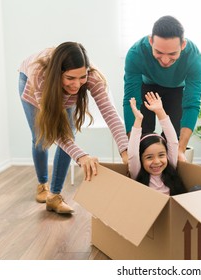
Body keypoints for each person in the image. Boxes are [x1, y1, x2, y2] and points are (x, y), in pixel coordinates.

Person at [19, 42, 129, 214]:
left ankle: (54, 196)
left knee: (69, 135)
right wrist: (82, 156)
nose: (77, 85)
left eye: (82, 77)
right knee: (41, 137)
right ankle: (42, 184)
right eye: (70, 78)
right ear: (58, 74)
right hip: (32, 81)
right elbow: (53, 130)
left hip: (58, 87)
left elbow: (110, 114)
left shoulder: (91, 76)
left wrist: (125, 150)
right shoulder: (40, 76)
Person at [123, 15, 201, 162]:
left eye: (172, 54)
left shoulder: (193, 57)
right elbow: (131, 101)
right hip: (147, 86)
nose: (165, 60)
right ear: (150, 41)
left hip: (176, 89)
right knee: (144, 138)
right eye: (159, 52)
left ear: (183, 45)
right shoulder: (136, 53)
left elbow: (192, 103)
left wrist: (180, 151)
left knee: (172, 138)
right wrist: (132, 149)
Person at [128, 91, 185, 195]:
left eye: (161, 155)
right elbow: (132, 154)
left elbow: (173, 142)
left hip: (172, 209)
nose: (157, 161)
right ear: (141, 158)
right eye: (149, 157)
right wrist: (138, 120)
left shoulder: (170, 166)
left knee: (198, 188)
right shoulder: (137, 172)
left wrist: (160, 111)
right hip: (150, 210)